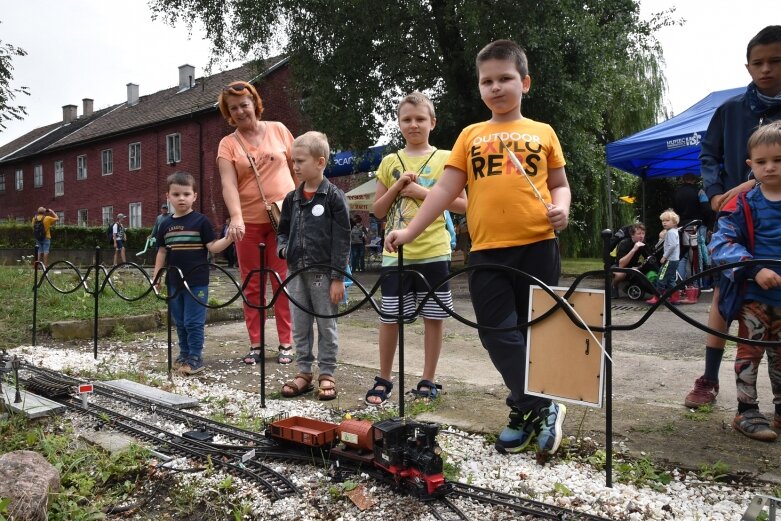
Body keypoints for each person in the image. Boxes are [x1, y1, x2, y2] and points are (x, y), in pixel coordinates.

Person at [385, 40, 571, 457]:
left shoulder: (543, 133)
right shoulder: (470, 136)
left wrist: (561, 208)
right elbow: (444, 190)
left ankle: (525, 412)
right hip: (486, 250)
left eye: (505, 78)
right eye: (487, 81)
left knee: (533, 334)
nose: (496, 87)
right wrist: (411, 232)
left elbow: (559, 184)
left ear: (524, 82)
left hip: (539, 246)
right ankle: (544, 404)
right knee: (495, 332)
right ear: (479, 88)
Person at [685, 25, 781, 408]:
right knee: (725, 293)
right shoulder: (730, 111)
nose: (766, 69)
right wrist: (714, 194)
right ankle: (709, 379)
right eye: (758, 63)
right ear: (748, 67)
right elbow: (708, 155)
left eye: (775, 61)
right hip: (736, 218)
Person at [364, 91, 467, 406]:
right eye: (407, 119)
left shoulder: (447, 158)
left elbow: (463, 204)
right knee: (390, 317)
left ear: (432, 122)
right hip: (395, 254)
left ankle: (428, 378)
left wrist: (422, 192)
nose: (413, 124)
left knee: (434, 317)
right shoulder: (389, 162)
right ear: (398, 123)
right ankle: (385, 377)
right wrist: (397, 186)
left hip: (434, 251)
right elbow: (378, 211)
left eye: (420, 119)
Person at [708, 121, 781, 441]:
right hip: (754, 296)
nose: (770, 168)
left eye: (778, 161)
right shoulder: (744, 203)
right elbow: (720, 243)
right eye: (762, 162)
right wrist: (753, 269)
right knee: (749, 352)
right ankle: (747, 410)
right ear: (751, 165)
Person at [216, 80, 295, 365]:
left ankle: (286, 342)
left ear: (255, 104)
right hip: (248, 223)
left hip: (283, 220)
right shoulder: (228, 144)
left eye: (244, 105)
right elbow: (228, 185)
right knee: (252, 284)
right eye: (233, 108)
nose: (240, 111)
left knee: (282, 282)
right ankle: (256, 344)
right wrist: (235, 216)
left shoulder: (279, 130)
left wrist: (305, 206)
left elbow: (298, 169)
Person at [276, 131, 350, 400]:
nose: (295, 167)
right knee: (300, 323)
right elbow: (282, 231)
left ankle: (327, 372)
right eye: (293, 161)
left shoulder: (333, 197)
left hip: (323, 274)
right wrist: (283, 249)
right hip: (295, 271)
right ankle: (304, 371)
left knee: (326, 323)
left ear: (320, 162)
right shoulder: (291, 199)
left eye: (300, 161)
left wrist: (338, 277)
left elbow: (342, 239)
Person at [153, 172, 234, 375]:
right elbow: (162, 252)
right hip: (174, 281)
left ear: (194, 196)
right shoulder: (164, 224)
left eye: (186, 194)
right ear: (168, 196)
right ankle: (184, 353)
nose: (182, 198)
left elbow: (213, 247)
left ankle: (195, 357)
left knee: (193, 321)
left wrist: (230, 238)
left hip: (196, 282)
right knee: (179, 320)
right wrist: (156, 277)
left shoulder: (201, 221)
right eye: (176, 194)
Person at [672, 174, 712, 282]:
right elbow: (707, 209)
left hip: (682, 226)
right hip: (697, 226)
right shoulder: (700, 192)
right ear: (694, 180)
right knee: (696, 254)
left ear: (683, 180)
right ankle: (698, 284)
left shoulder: (676, 193)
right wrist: (708, 224)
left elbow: (673, 212)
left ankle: (681, 282)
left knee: (683, 255)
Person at [645, 210, 681, 305]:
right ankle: (675, 297)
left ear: (674, 222)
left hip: (669, 260)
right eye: (663, 221)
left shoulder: (671, 233)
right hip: (674, 260)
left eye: (667, 220)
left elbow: (672, 246)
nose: (664, 222)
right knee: (670, 279)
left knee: (661, 277)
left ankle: (657, 297)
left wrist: (664, 257)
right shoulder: (674, 232)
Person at [611, 223, 655, 296]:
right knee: (621, 274)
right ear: (632, 235)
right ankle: (613, 285)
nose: (641, 236)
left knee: (644, 268)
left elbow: (648, 258)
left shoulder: (643, 244)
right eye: (639, 234)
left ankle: (629, 287)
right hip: (617, 266)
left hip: (633, 266)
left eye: (643, 233)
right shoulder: (624, 243)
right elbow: (621, 265)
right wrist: (634, 249)